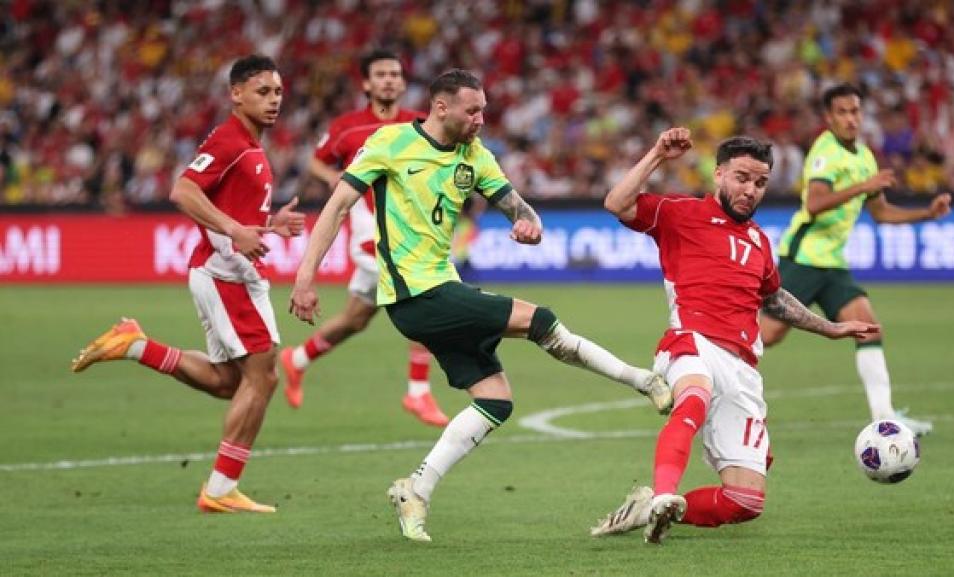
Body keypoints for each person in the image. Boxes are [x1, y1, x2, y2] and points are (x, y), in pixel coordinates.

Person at [289, 69, 673, 542]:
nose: (480, 119)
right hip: (415, 293)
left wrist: (528, 223)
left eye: (484, 110)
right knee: (543, 322)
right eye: (473, 110)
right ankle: (643, 380)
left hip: (439, 290)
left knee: (495, 400)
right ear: (441, 107)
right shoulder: (389, 143)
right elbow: (337, 206)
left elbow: (518, 207)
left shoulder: (475, 157)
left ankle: (417, 489)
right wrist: (305, 277)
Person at [590, 130, 878, 544]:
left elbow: (774, 299)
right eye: (742, 178)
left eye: (760, 183)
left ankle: (655, 506)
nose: (750, 190)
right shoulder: (680, 214)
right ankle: (666, 490)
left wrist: (830, 328)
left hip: (742, 368)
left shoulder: (759, 241)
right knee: (693, 395)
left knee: (745, 501)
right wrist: (656, 154)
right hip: (691, 343)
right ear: (719, 174)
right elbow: (616, 203)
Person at [71, 54, 304, 513]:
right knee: (264, 375)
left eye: (278, 92)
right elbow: (183, 191)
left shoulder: (249, 146)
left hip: (223, 271)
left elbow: (229, 211)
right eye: (263, 91)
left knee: (228, 382)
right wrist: (236, 232)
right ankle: (220, 490)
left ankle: (135, 345)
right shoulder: (230, 140)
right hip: (227, 274)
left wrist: (266, 224)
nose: (274, 100)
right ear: (236, 94)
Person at [761, 83, 951, 436]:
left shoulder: (865, 157)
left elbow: (880, 213)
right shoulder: (825, 151)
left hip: (832, 263)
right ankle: (706, 375)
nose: (851, 119)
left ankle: (885, 418)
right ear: (829, 117)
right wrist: (861, 188)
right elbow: (814, 203)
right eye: (843, 112)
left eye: (855, 111)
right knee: (766, 335)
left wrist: (927, 212)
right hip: (802, 258)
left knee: (867, 327)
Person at [278, 50, 450, 426]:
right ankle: (418, 391)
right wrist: (331, 179)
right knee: (425, 291)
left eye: (394, 74)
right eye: (381, 74)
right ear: (367, 84)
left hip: (406, 231)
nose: (388, 80)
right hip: (370, 237)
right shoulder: (347, 126)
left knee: (355, 320)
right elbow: (317, 160)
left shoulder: (420, 125)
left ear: (403, 83)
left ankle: (298, 358)